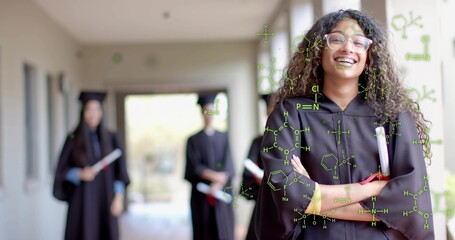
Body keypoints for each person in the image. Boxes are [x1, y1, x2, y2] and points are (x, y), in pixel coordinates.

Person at [254, 9, 434, 240]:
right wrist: (371, 189)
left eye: (359, 42)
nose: (348, 48)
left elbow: (410, 201)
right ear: (319, 49)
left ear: (370, 56)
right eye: (337, 39)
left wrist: (316, 198)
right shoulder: (291, 114)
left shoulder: (393, 116)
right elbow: (286, 194)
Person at [53, 91, 130, 240]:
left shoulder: (112, 138)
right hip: (82, 203)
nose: (93, 114)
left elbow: (120, 172)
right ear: (83, 112)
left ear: (102, 112)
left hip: (106, 199)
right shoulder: (72, 139)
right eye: (89, 109)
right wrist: (79, 173)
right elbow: (61, 171)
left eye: (97, 109)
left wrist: (118, 198)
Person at [184, 93, 235, 240]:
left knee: (223, 231)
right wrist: (215, 177)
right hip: (202, 195)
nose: (209, 114)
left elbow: (229, 164)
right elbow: (193, 166)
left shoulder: (224, 137)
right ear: (201, 112)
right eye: (206, 110)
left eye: (212, 110)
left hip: (222, 193)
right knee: (203, 230)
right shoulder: (193, 140)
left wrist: (218, 183)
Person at [239, 94, 272, 240]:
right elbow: (247, 178)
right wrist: (261, 182)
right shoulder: (258, 142)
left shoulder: (296, 141)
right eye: (270, 109)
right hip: (263, 208)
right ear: (266, 112)